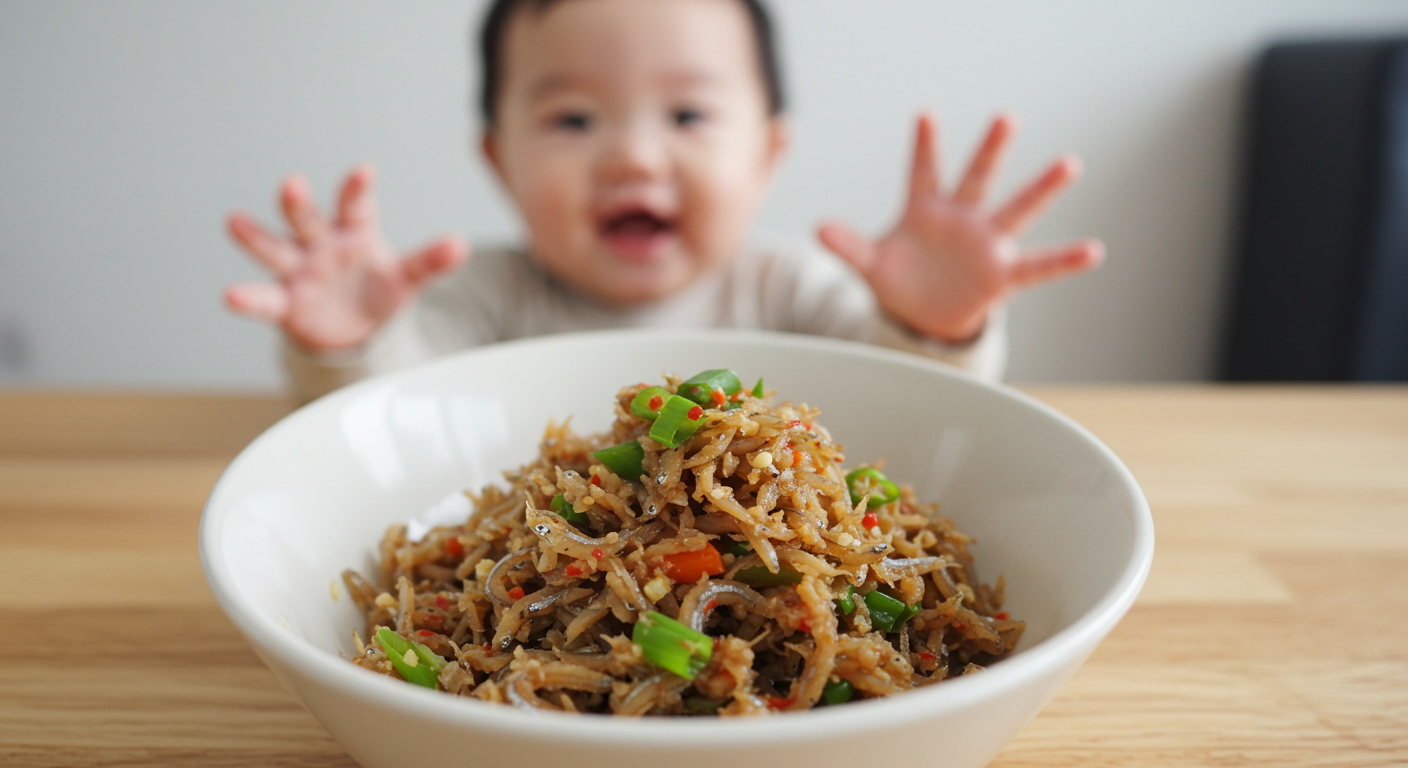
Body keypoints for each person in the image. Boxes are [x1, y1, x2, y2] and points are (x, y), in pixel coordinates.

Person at [223, 0, 1103, 403]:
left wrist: (929, 328)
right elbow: (394, 414)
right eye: (573, 118)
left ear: (768, 154)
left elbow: (907, 409)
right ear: (500, 161)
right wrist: (353, 344)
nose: (635, 155)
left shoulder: (789, 287)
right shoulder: (486, 299)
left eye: (687, 114)